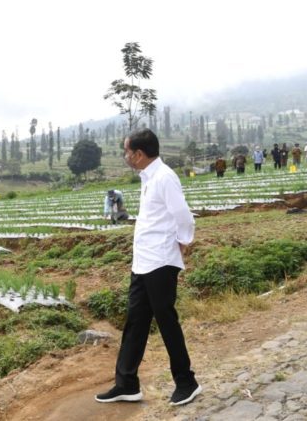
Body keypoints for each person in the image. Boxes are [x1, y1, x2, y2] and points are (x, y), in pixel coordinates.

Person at [96, 129, 201, 407]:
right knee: (135, 323)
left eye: (127, 151)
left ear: (139, 154)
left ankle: (186, 382)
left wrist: (182, 244)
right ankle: (126, 384)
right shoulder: (149, 177)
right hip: (144, 262)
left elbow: (183, 216)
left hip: (160, 262)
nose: (125, 156)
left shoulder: (164, 177)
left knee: (166, 321)